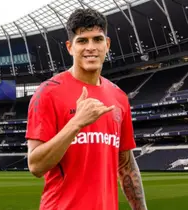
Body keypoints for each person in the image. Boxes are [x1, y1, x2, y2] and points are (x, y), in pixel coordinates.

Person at [25, 8, 147, 210]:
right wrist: (76, 123)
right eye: (82, 41)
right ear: (70, 47)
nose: (91, 47)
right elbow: (36, 166)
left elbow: (125, 164)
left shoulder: (119, 97)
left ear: (107, 44)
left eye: (97, 39)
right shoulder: (47, 93)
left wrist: (141, 208)